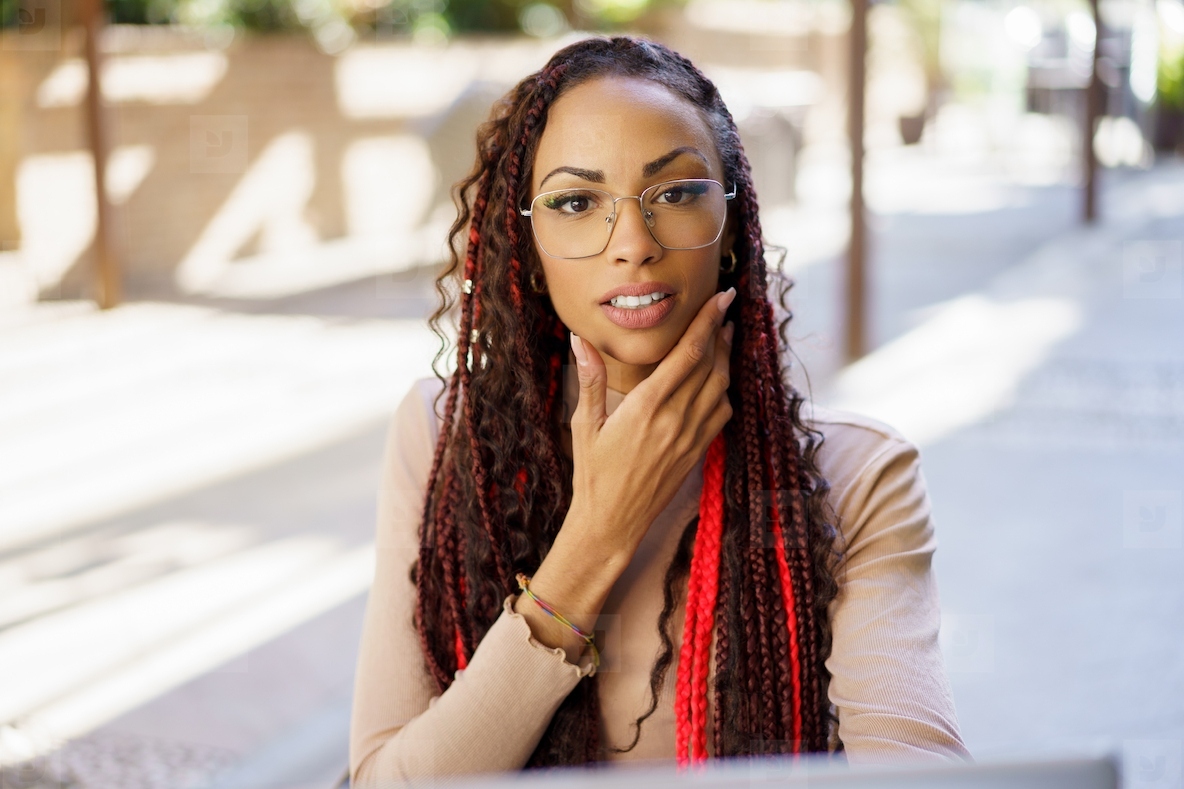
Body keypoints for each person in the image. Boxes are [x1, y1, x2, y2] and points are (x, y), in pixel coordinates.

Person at [348, 34, 970, 786]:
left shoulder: (858, 475)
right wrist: (594, 538)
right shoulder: (443, 436)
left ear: (733, 227)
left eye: (675, 193)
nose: (634, 243)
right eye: (578, 202)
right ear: (528, 249)